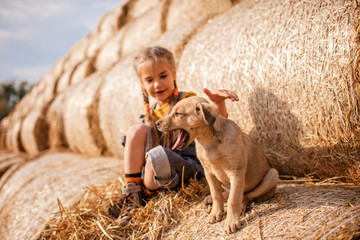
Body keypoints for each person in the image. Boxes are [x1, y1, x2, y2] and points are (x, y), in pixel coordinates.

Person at [109, 46, 239, 226]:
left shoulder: (187, 101)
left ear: (174, 73)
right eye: (149, 79)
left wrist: (217, 105)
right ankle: (132, 195)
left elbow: (216, 126)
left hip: (189, 166)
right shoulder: (151, 114)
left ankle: (145, 193)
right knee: (136, 131)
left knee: (157, 155)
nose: (157, 84)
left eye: (163, 76)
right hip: (156, 169)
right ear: (142, 84)